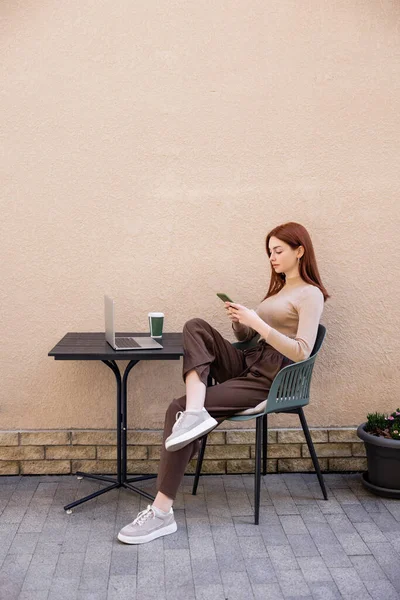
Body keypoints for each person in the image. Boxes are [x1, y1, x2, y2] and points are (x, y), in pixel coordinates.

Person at [117, 221, 330, 544]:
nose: (272, 257)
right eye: (269, 252)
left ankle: (161, 513)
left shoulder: (309, 294)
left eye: (278, 251)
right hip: (249, 361)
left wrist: (257, 321)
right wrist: (241, 326)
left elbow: (301, 351)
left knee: (176, 407)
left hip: (271, 377)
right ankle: (195, 412)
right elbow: (252, 338)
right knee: (196, 326)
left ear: (299, 251)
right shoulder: (279, 289)